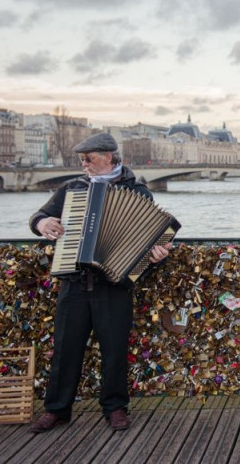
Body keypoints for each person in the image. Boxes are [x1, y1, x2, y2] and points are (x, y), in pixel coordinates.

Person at [28, 133, 172, 433]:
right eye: (82, 159)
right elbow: (39, 215)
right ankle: (57, 410)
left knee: (115, 350)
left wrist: (157, 256)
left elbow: (151, 239)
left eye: (88, 158)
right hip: (75, 282)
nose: (83, 164)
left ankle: (115, 408)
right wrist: (42, 223)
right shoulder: (72, 189)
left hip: (113, 285)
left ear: (108, 156)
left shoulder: (138, 192)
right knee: (66, 349)